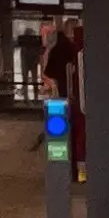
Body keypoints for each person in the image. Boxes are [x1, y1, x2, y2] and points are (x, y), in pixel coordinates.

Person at [43, 15, 84, 169]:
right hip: (75, 99)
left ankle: (69, 168)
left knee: (62, 133)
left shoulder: (60, 48)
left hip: (64, 96)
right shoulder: (74, 49)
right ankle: (77, 170)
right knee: (71, 133)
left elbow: (50, 71)